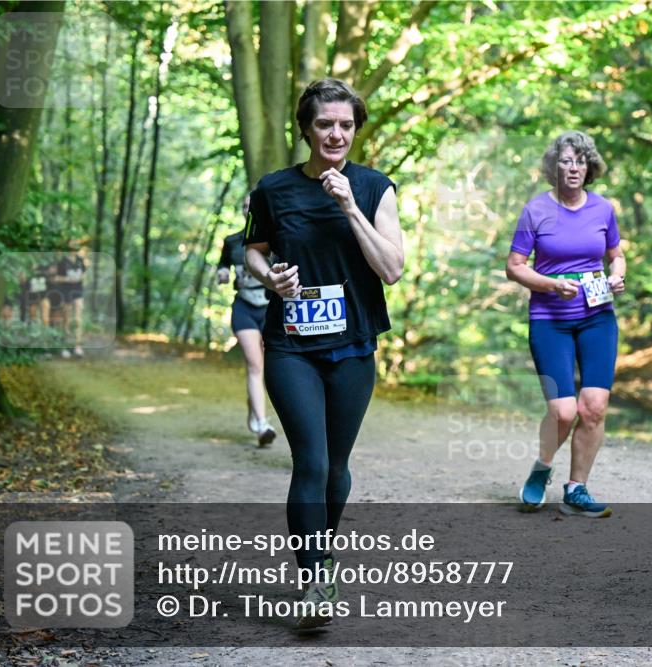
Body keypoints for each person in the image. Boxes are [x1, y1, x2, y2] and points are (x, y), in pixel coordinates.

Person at [244, 78, 403, 629]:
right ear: (306, 129)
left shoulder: (375, 187)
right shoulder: (273, 189)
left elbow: (392, 268)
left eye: (345, 125)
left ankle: (323, 557)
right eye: (324, 124)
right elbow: (254, 252)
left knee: (336, 466)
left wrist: (351, 208)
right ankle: (314, 579)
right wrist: (273, 280)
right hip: (290, 344)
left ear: (356, 129)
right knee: (309, 460)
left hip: (354, 343)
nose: (336, 133)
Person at [506, 130, 625, 518]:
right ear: (553, 167)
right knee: (563, 411)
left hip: (597, 318)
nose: (573, 168)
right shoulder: (535, 210)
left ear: (589, 168)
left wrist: (617, 275)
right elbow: (515, 267)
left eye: (580, 161)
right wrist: (550, 284)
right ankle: (542, 469)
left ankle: (577, 489)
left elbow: (616, 255)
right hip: (549, 319)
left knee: (594, 407)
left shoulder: (603, 209)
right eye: (566, 161)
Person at [218, 195, 276, 447]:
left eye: (252, 206)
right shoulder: (232, 241)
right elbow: (222, 267)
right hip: (244, 308)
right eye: (244, 207)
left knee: (269, 368)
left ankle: (254, 406)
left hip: (271, 309)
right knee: (255, 364)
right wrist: (222, 274)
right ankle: (263, 425)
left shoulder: (277, 237)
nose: (247, 210)